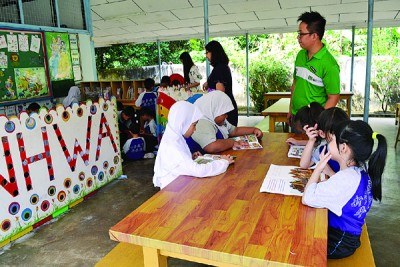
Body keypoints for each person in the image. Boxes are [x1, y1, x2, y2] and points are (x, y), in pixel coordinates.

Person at [302, 120, 387, 259]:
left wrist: (318, 169)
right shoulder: (361, 173)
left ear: (343, 148)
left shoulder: (345, 179)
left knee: (300, 241)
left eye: (332, 140)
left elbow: (307, 198)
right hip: (349, 238)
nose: (328, 144)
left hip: (338, 243)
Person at [153, 101, 234, 189]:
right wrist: (223, 162)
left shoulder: (174, 136)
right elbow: (199, 171)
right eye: (194, 125)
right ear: (183, 123)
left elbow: (180, 163)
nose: (195, 129)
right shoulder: (173, 146)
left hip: (178, 185)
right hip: (174, 192)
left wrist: (190, 158)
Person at [288, 11, 340, 130]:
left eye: (301, 34)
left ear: (314, 36)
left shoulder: (329, 64)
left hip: (312, 122)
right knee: (295, 147)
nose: (298, 38)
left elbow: (334, 97)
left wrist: (319, 123)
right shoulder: (300, 55)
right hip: (296, 116)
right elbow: (295, 84)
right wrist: (290, 109)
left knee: (311, 148)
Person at [188, 90, 263, 154]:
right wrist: (232, 142)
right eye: (224, 113)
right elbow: (211, 146)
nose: (226, 116)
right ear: (214, 111)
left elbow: (234, 131)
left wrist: (254, 130)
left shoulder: (215, 118)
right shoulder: (200, 121)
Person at [300, 107, 349, 176]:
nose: (339, 136)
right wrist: (311, 140)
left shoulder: (350, 152)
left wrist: (330, 173)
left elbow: (348, 184)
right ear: (322, 134)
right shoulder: (323, 150)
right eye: (334, 133)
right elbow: (304, 165)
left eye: (343, 130)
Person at [203, 40, 238, 126]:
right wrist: (208, 83)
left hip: (224, 112)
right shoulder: (221, 67)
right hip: (227, 108)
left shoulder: (219, 68)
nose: (206, 55)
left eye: (207, 52)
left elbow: (220, 93)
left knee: (228, 137)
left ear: (214, 53)